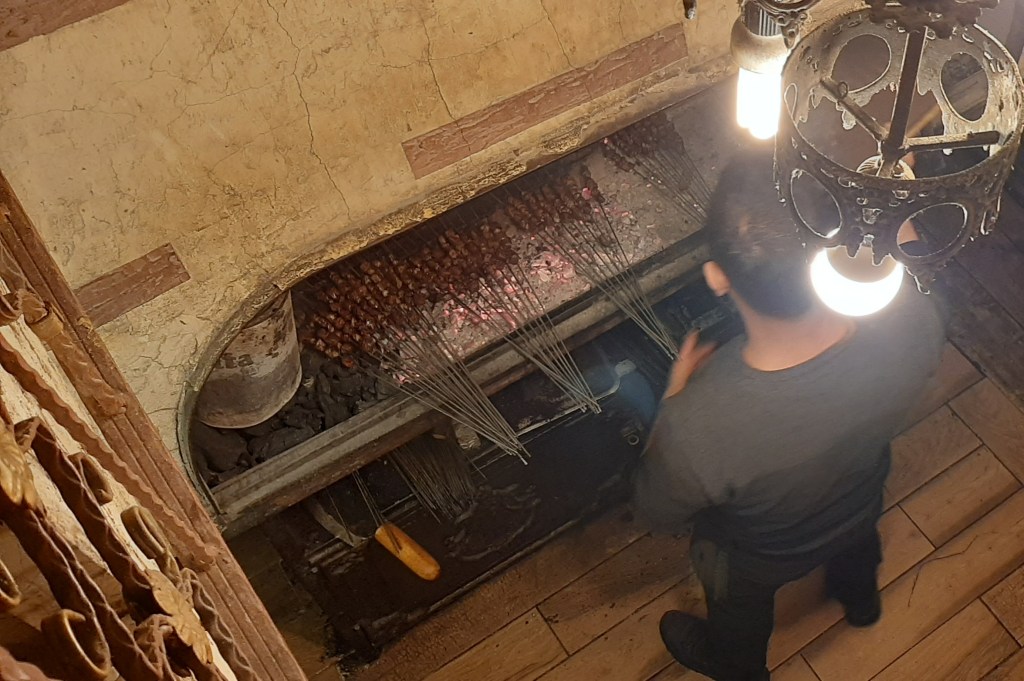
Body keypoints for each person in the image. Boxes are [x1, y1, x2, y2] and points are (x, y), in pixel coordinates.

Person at [632, 146, 945, 681]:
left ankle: (737, 665)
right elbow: (909, 249)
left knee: (735, 600)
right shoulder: (915, 314)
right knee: (857, 542)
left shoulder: (696, 426)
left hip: (758, 556)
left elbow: (656, 512)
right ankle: (860, 598)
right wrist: (894, 194)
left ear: (717, 278)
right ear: (840, 252)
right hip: (859, 497)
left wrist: (671, 406)